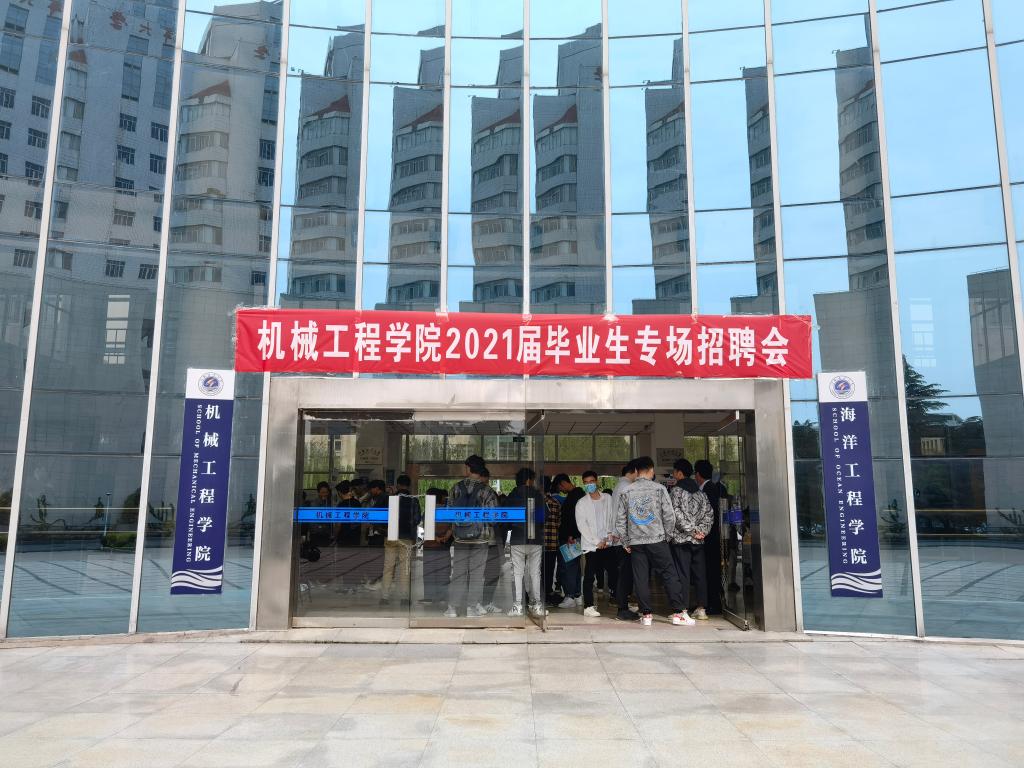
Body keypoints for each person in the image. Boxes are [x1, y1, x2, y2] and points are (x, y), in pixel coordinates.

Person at [615, 456, 692, 626]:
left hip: (636, 542)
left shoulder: (626, 491)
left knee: (640, 577)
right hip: (657, 539)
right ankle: (679, 612)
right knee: (669, 573)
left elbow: (620, 520)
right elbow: (669, 516)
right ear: (651, 470)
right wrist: (667, 536)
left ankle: (646, 615)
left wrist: (626, 541)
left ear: (636, 471)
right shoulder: (659, 489)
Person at [445, 455, 498, 618]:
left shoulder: (456, 488)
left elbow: (449, 513)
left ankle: (452, 608)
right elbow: (493, 518)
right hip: (480, 538)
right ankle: (471, 608)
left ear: (468, 468)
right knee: (476, 574)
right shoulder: (487, 491)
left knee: (458, 573)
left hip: (460, 538)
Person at [668, 459, 713, 622]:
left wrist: (691, 531)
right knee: (700, 574)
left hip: (682, 540)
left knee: (683, 574)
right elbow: (709, 514)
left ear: (679, 473)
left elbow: (675, 514)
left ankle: (683, 609)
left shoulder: (676, 491)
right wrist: (701, 532)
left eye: (674, 472)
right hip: (699, 541)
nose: (674, 475)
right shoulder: (701, 492)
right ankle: (701, 609)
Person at [502, 468, 547, 617]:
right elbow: (543, 516)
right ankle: (537, 605)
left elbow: (505, 518)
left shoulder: (512, 495)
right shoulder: (537, 495)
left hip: (517, 539)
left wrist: (511, 529)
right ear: (529, 480)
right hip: (535, 540)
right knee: (535, 573)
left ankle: (518, 606)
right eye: (532, 480)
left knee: (517, 573)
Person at [576, 470, 614, 617]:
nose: (589, 485)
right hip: (592, 545)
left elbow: (611, 518)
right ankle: (588, 606)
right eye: (586, 483)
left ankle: (621, 601)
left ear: (596, 481)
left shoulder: (607, 498)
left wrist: (608, 538)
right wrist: (597, 542)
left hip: (608, 543)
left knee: (614, 572)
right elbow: (582, 525)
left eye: (591, 481)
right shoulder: (582, 503)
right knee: (589, 575)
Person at [380, 475, 421, 607]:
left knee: (388, 566)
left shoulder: (390, 498)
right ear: (409, 485)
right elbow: (417, 519)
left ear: (397, 485)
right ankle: (404, 597)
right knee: (405, 568)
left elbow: (381, 516)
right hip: (406, 538)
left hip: (391, 536)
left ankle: (384, 597)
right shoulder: (414, 500)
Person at [610, 462, 639, 621]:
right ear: (634, 471)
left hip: (620, 537)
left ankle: (623, 606)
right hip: (624, 539)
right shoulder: (626, 487)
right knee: (624, 574)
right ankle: (622, 609)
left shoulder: (620, 486)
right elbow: (623, 515)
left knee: (624, 573)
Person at [695, 459, 723, 616]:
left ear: (697, 474)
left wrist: (701, 532)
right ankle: (708, 602)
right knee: (708, 571)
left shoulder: (708, 490)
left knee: (711, 572)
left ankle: (713, 604)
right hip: (709, 537)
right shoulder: (711, 488)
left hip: (709, 538)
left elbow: (709, 515)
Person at [554, 473, 585, 609]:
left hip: (570, 538)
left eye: (560, 487)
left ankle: (570, 596)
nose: (561, 490)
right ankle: (577, 595)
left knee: (569, 567)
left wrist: (571, 534)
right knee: (575, 566)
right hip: (574, 536)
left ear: (563, 483)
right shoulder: (579, 494)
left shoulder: (574, 496)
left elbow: (573, 517)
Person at [478, 467, 503, 614]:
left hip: (470, 540)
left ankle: (475, 603)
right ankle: (485, 602)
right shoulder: (489, 493)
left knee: (476, 573)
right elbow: (494, 518)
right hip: (488, 539)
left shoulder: (463, 492)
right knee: (492, 572)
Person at [421, 487, 451, 606]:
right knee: (443, 572)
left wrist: (436, 538)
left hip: (430, 545)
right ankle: (442, 597)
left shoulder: (428, 511)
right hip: (444, 546)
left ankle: (429, 597)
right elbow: (452, 527)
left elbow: (426, 528)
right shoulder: (447, 510)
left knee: (429, 572)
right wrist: (445, 537)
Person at [542, 477, 563, 604]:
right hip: (552, 542)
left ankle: (538, 594)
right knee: (549, 570)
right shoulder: (556, 503)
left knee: (536, 570)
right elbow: (559, 523)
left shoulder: (534, 502)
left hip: (537, 543)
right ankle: (548, 592)